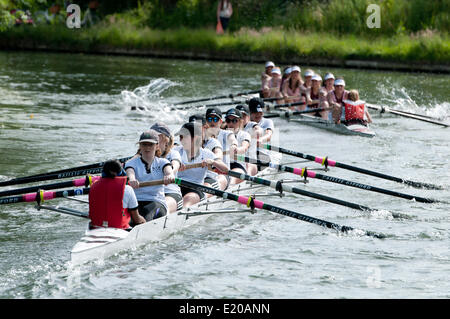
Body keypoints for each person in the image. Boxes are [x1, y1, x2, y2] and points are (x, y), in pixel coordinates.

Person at [125, 130, 175, 221]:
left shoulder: (163, 162)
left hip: (156, 201)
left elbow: (169, 171)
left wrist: (169, 176)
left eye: (150, 145)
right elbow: (130, 173)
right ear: (140, 146)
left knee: (147, 214)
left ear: (157, 146)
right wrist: (132, 179)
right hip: (136, 202)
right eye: (144, 144)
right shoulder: (131, 163)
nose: (147, 148)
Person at [174, 122, 228, 207]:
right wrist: (175, 165)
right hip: (177, 187)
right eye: (180, 137)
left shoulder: (205, 153)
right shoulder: (176, 151)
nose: (180, 140)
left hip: (196, 189)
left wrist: (213, 162)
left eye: (183, 137)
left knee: (188, 199)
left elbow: (225, 169)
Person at [89, 159, 146, 230]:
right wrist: (144, 222)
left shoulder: (93, 187)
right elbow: (137, 219)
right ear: (121, 173)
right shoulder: (127, 189)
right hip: (120, 229)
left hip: (96, 227)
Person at [150, 122, 183, 214]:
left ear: (166, 141)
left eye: (157, 138)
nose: (153, 141)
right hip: (151, 194)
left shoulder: (173, 154)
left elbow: (175, 165)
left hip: (170, 193)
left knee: (157, 210)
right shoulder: (145, 154)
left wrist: (170, 173)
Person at [189, 114, 227, 191]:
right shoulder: (185, 144)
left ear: (205, 127)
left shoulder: (213, 142)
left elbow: (218, 157)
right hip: (191, 178)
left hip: (209, 177)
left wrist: (212, 161)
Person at [224, 108, 253, 182]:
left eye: (234, 121)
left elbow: (244, 147)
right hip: (223, 165)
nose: (231, 123)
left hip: (238, 166)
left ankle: (230, 185)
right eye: (228, 120)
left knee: (231, 178)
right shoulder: (221, 134)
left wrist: (236, 150)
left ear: (240, 122)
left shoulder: (244, 135)